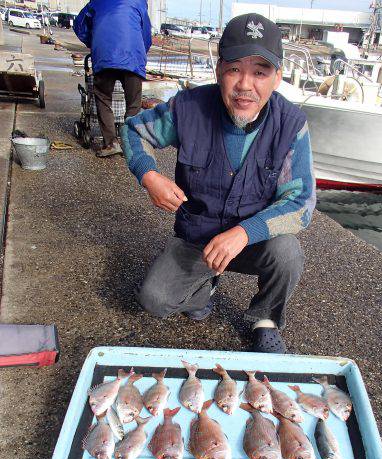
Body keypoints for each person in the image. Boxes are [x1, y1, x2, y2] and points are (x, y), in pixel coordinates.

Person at [121, 13, 316, 353]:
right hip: (197, 237)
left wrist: (244, 233)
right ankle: (205, 286)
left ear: (277, 78)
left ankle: (266, 320)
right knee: (154, 300)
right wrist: (148, 175)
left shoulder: (292, 125)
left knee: (288, 253)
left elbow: (300, 204)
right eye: (234, 69)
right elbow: (133, 130)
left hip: (251, 241)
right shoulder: (188, 107)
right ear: (219, 70)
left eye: (260, 72)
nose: (245, 84)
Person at [73, 0, 151, 157]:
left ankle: (111, 143)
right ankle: (130, 145)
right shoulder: (139, 3)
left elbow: (79, 26)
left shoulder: (96, 2)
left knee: (103, 97)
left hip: (104, 56)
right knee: (133, 104)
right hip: (133, 57)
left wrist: (94, 42)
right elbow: (146, 35)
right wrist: (140, 52)